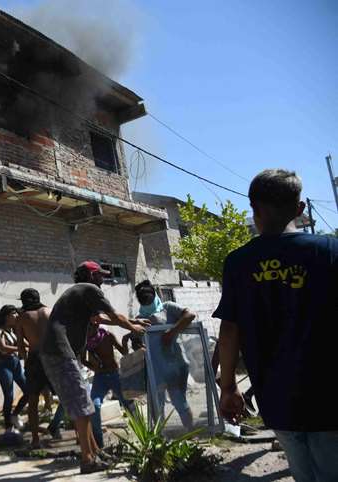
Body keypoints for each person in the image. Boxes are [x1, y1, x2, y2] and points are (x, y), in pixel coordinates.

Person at [213, 169, 338, 482]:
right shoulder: (329, 251)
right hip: (329, 396)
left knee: (303, 472)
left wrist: (228, 388)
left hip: (277, 399)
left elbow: (229, 331)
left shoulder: (238, 262)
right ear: (300, 209)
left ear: (254, 209)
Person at [40, 260, 148, 474]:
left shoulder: (78, 293)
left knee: (84, 405)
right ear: (90, 276)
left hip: (55, 353)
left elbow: (99, 318)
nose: (104, 278)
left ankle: (95, 452)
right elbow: (115, 316)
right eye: (100, 275)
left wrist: (132, 320)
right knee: (83, 407)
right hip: (61, 353)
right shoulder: (89, 289)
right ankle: (88, 460)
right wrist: (133, 328)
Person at [135, 280, 195, 430]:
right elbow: (136, 342)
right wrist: (137, 345)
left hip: (176, 365)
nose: (148, 304)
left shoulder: (168, 307)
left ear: (155, 296)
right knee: (157, 404)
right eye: (145, 301)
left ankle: (191, 434)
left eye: (149, 300)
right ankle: (161, 438)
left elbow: (190, 315)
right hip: (155, 369)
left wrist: (172, 331)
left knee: (179, 401)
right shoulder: (139, 318)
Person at [15, 288, 65, 447]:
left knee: (33, 400)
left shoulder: (21, 318)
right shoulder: (50, 312)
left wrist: (25, 360)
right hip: (53, 356)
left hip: (35, 358)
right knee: (67, 396)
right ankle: (79, 436)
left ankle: (35, 439)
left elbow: (21, 347)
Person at [83, 317, 131, 448]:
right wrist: (94, 368)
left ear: (96, 326)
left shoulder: (108, 336)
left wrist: (125, 340)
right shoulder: (86, 342)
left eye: (90, 327)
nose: (88, 331)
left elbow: (124, 352)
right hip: (100, 378)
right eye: (86, 328)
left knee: (128, 404)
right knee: (95, 406)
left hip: (115, 374)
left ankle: (143, 434)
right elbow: (83, 360)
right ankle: (99, 444)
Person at [0, 305, 28, 433]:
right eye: (14, 314)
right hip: (4, 364)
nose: (16, 316)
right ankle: (8, 425)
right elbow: (3, 348)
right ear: (6, 316)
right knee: (9, 395)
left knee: (28, 391)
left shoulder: (13, 330)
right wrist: (20, 349)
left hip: (15, 363)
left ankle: (14, 415)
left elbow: (24, 343)